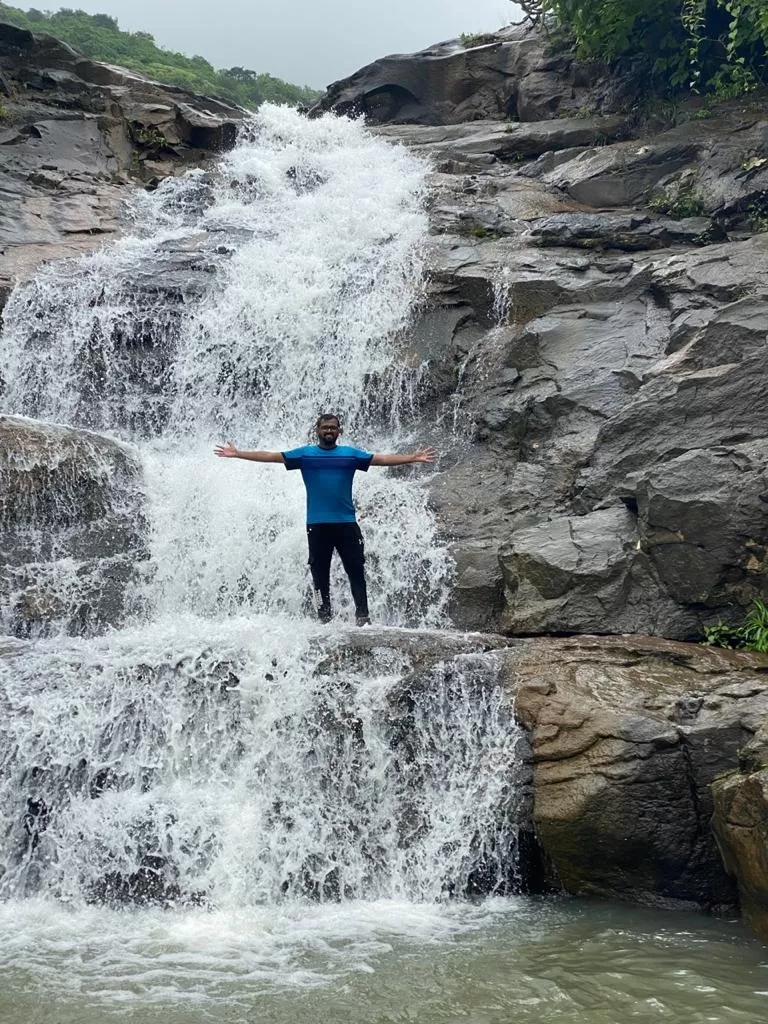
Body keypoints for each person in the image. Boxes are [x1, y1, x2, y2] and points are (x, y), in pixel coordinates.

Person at [214, 414, 436, 625]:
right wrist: (239, 453)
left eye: (333, 427)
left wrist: (412, 458)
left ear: (339, 431)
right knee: (319, 574)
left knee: (356, 570)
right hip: (317, 525)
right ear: (317, 430)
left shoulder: (350, 455)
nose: (329, 430)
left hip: (346, 523)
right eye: (325, 427)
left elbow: (381, 459)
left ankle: (363, 616)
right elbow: (271, 456)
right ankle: (324, 618)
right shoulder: (305, 454)